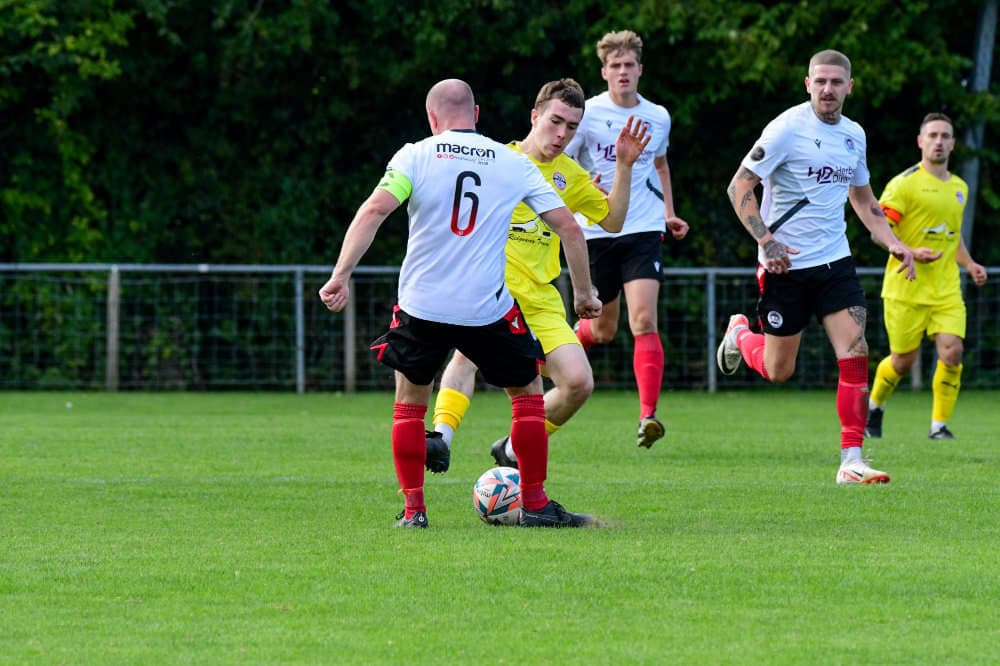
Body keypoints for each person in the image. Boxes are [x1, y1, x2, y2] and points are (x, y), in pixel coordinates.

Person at [319, 79, 603, 528]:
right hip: (485, 307)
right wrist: (584, 294)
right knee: (528, 395)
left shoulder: (415, 154)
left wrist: (341, 274)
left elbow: (374, 209)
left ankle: (414, 512)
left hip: (422, 306)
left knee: (410, 402)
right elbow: (569, 227)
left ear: (432, 119)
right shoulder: (512, 162)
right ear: (477, 114)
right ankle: (534, 504)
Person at [716, 49, 923, 485]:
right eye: (821, 81)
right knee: (779, 370)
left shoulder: (854, 135)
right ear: (808, 84)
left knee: (856, 350)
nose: (828, 89)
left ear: (850, 87)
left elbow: (863, 200)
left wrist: (894, 243)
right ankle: (740, 334)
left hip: (835, 262)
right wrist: (766, 241)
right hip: (784, 266)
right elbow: (739, 187)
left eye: (836, 82)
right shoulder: (786, 129)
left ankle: (851, 461)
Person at [425, 78, 651, 473]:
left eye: (572, 127)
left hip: (542, 302)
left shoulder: (572, 176)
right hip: (494, 289)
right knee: (467, 356)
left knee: (579, 383)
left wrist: (624, 166)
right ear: (535, 116)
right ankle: (441, 437)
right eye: (555, 121)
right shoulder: (496, 159)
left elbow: (613, 221)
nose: (562, 134)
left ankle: (513, 448)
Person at [563, 29, 690, 449]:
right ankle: (565, 346)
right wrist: (587, 186)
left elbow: (661, 165)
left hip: (644, 228)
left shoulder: (658, 116)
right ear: (604, 72)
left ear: (640, 69)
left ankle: (648, 416)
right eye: (615, 65)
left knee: (644, 320)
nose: (622, 72)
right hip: (596, 230)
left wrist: (668, 212)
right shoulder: (587, 114)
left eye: (629, 65)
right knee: (602, 329)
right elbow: (562, 163)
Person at [865, 113, 988, 440]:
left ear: (953, 144)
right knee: (902, 361)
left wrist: (969, 263)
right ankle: (874, 406)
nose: (939, 141)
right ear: (920, 141)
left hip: (946, 289)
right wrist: (907, 250)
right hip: (906, 287)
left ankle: (939, 427)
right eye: (932, 135)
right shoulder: (904, 184)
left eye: (945, 136)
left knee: (953, 351)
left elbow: (953, 235)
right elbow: (880, 230)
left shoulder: (960, 188)